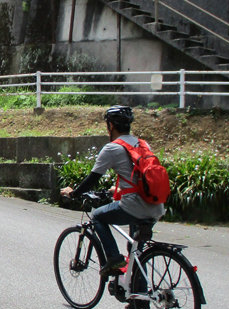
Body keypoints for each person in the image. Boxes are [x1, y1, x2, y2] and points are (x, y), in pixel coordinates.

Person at [59, 105, 165, 275]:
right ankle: (139, 299)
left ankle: (114, 259)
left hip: (134, 206)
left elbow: (93, 179)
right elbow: (140, 177)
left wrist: (74, 193)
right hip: (156, 205)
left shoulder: (112, 148)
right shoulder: (143, 144)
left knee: (97, 216)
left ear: (111, 126)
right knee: (135, 252)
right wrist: (115, 189)